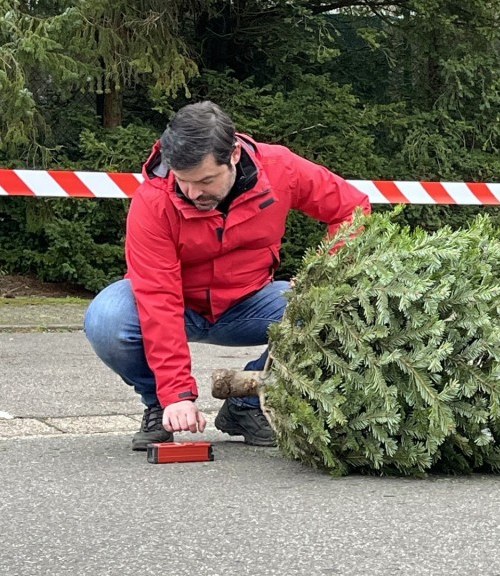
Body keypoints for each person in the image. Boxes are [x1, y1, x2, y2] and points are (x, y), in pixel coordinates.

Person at [84, 101, 371, 450]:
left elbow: (351, 208)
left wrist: (320, 274)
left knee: (330, 306)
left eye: (205, 180)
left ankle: (246, 403)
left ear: (234, 154)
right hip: (181, 307)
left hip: (248, 302)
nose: (193, 193)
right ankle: (158, 405)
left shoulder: (280, 167)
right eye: (183, 181)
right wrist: (176, 393)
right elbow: (158, 297)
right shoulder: (152, 201)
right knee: (106, 317)